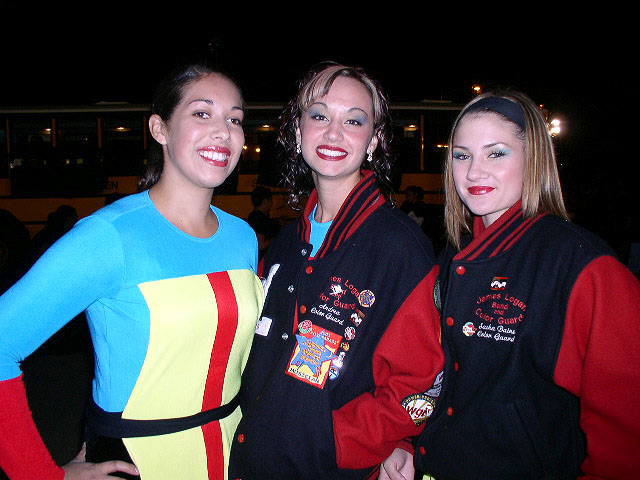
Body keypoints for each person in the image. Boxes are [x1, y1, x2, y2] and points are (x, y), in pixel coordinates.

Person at [0, 63, 264, 479]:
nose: (223, 131)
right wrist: (42, 474)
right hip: (139, 460)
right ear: (160, 129)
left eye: (235, 119)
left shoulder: (243, 238)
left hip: (233, 453)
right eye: (202, 113)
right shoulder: (108, 237)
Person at [380, 91, 640, 480]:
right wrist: (407, 440)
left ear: (533, 159)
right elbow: (435, 373)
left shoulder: (582, 266)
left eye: (496, 154)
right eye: (462, 156)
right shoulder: (454, 254)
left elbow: (625, 438)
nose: (474, 172)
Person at [228, 62, 444, 479]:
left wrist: (335, 440)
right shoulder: (286, 244)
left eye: (354, 121)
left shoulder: (399, 247)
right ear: (298, 131)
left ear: (374, 140)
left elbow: (418, 384)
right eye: (319, 115)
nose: (333, 133)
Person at [246, 185, 280, 259]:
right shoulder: (259, 218)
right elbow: (261, 245)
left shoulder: (254, 217)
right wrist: (277, 238)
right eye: (271, 200)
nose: (272, 203)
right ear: (265, 201)